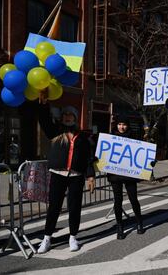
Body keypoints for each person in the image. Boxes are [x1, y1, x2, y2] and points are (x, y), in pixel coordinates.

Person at [37, 91, 95, 253]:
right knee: (54, 207)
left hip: (76, 176)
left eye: (71, 115)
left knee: (74, 207)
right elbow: (44, 119)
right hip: (58, 174)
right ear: (62, 117)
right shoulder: (55, 132)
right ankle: (47, 238)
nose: (68, 117)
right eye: (65, 115)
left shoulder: (82, 137)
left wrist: (90, 175)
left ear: (75, 118)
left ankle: (73, 238)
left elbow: (88, 158)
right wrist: (43, 103)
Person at [107, 115, 145, 239]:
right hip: (115, 174)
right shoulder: (109, 138)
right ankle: (120, 226)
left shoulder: (134, 137)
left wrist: (148, 162)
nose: (121, 127)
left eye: (124, 124)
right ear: (116, 125)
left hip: (129, 173)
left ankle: (139, 222)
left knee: (133, 199)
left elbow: (141, 153)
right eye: (119, 124)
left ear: (127, 125)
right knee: (118, 201)